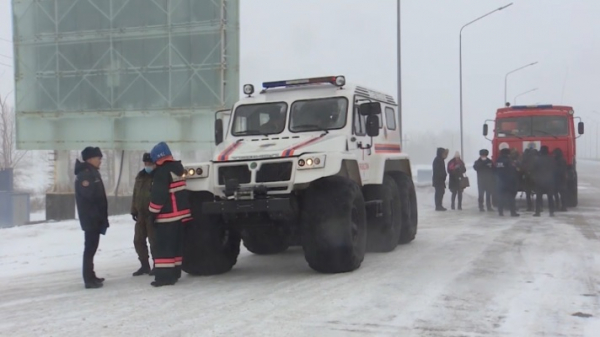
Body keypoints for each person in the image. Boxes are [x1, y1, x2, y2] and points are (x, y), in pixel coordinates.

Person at [148, 142, 192, 287]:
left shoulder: (161, 172)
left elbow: (159, 197)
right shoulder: (178, 169)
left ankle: (164, 278)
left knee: (164, 248)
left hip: (167, 217)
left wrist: (152, 214)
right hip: (182, 215)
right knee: (176, 246)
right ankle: (175, 273)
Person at [74, 146, 109, 289]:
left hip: (95, 218)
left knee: (92, 248)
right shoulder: (86, 175)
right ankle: (88, 279)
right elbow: (89, 197)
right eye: (98, 158)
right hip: (91, 219)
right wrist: (97, 216)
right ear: (90, 159)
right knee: (89, 249)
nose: (100, 161)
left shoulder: (92, 173)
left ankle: (91, 275)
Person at [131, 153, 157, 276]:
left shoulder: (157, 176)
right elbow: (136, 194)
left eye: (149, 164)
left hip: (152, 214)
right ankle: (144, 265)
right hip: (141, 214)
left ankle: (157, 265)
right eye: (145, 164)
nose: (147, 166)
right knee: (138, 240)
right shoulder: (140, 176)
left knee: (154, 241)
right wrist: (133, 209)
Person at [495, 147, 520, 217]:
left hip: (500, 181)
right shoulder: (509, 161)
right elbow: (512, 171)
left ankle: (500, 212)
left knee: (501, 197)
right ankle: (513, 213)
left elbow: (496, 170)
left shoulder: (498, 160)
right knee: (511, 198)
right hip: (509, 182)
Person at [532, 146, 556, 217]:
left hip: (539, 181)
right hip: (549, 181)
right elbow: (554, 170)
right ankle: (551, 212)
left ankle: (537, 212)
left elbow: (534, 170)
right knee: (550, 197)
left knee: (538, 197)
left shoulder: (537, 160)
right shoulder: (551, 159)